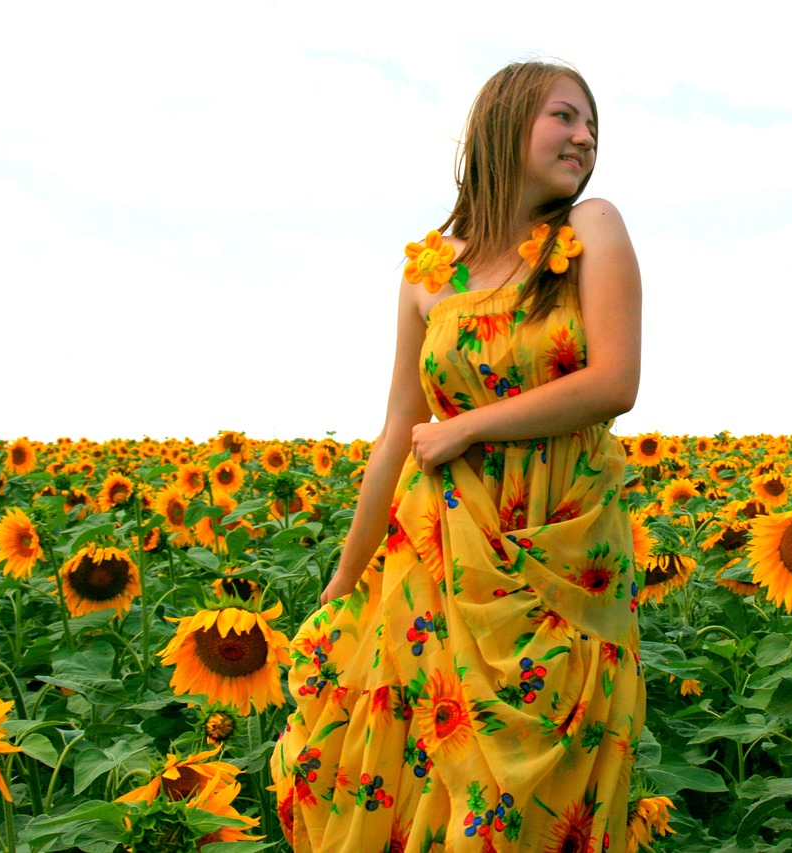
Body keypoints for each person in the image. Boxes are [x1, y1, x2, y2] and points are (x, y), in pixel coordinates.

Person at [271, 60, 645, 853]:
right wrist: (344, 579)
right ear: (505, 122)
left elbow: (615, 382)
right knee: (436, 784)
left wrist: (470, 428)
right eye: (565, 117)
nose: (584, 138)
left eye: (591, 126)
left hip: (564, 556)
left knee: (546, 795)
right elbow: (397, 429)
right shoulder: (427, 268)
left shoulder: (594, 230)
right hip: (438, 559)